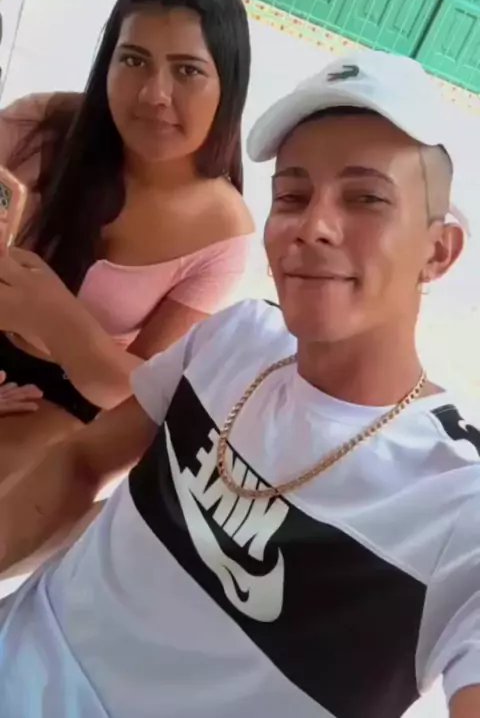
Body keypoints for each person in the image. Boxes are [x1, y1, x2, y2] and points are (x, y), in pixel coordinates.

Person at [0, 50, 478, 718]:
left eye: (366, 198)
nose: (313, 225)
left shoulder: (456, 500)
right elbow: (83, 460)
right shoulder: (234, 338)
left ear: (438, 251)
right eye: (292, 196)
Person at [0, 0, 253, 454]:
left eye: (187, 71)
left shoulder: (223, 232)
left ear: (228, 86)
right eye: (134, 60)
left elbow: (136, 393)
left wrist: (51, 316)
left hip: (72, 391)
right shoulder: (40, 126)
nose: (154, 94)